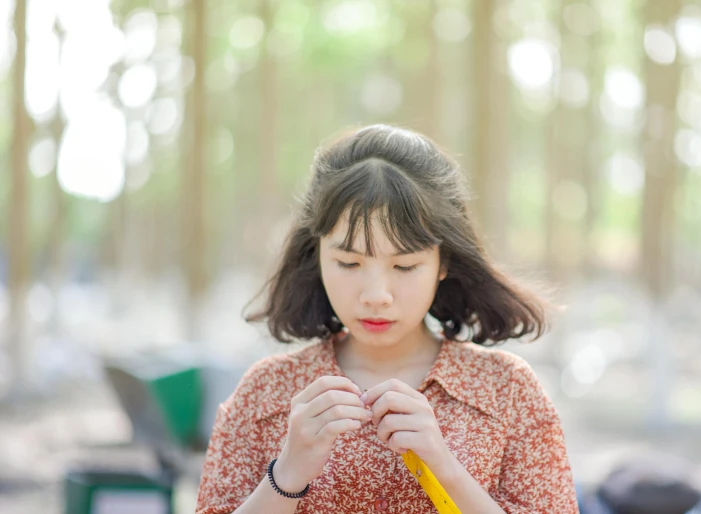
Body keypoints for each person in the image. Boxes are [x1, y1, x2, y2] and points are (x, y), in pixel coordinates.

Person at [195, 124, 579, 514]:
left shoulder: (508, 391)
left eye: (405, 265)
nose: (376, 295)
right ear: (317, 256)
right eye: (349, 262)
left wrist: (445, 467)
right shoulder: (266, 393)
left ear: (443, 261)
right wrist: (288, 474)